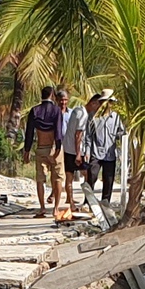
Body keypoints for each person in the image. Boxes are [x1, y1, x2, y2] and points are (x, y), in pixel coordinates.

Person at [22, 85, 67, 216]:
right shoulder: (56, 110)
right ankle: (56, 208)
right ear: (52, 96)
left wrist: (27, 150)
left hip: (41, 148)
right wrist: (58, 147)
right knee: (58, 178)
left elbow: (29, 132)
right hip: (54, 149)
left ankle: (42, 207)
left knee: (40, 179)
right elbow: (58, 131)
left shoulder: (35, 111)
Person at [83, 91, 125, 208]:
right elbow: (88, 136)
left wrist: (121, 136)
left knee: (109, 179)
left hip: (110, 154)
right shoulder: (93, 117)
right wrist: (87, 151)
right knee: (92, 177)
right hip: (96, 152)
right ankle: (88, 202)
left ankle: (105, 203)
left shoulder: (116, 117)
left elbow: (121, 132)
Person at [59, 92, 90, 218]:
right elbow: (78, 134)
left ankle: (85, 200)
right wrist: (78, 153)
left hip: (72, 146)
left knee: (85, 173)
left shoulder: (72, 112)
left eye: (66, 100)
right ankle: (70, 200)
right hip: (67, 147)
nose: (64, 102)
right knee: (68, 175)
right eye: (61, 100)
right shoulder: (57, 113)